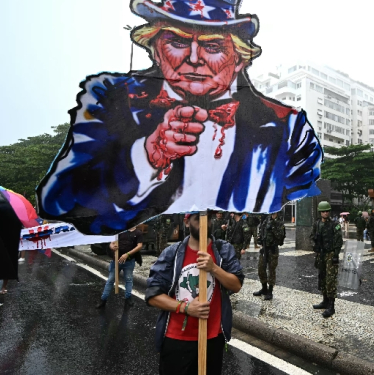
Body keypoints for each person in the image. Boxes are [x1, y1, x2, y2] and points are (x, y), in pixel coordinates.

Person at [37, 0, 324, 236]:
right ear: (155, 50)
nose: (194, 58)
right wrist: (146, 156)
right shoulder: (110, 96)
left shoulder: (289, 128)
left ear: (239, 58)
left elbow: (299, 191)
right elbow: (60, 200)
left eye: (212, 46)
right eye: (177, 41)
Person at [146, 213, 243, 375]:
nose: (205, 222)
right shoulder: (172, 253)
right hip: (177, 340)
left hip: (212, 338)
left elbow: (236, 285)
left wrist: (214, 268)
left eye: (209, 218)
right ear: (187, 222)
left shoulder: (223, 250)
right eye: (199, 218)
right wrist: (186, 308)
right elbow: (152, 295)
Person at [96, 226, 143, 308]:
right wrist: (111, 246)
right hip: (116, 261)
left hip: (129, 261)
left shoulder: (138, 233)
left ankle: (128, 298)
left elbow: (139, 246)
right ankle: (103, 300)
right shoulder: (119, 231)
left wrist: (127, 254)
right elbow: (112, 242)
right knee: (110, 280)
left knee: (128, 279)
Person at [310, 201, 343, 318]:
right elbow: (311, 237)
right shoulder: (317, 224)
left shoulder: (334, 224)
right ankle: (324, 301)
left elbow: (339, 240)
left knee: (331, 280)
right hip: (321, 254)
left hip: (330, 254)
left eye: (327, 211)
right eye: (323, 211)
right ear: (320, 212)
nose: (325, 213)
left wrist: (335, 254)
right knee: (322, 278)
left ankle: (331, 306)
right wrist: (314, 244)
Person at [253, 211, 286, 300]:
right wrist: (260, 238)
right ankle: (264, 288)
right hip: (264, 249)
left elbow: (280, 238)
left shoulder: (280, 222)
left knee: (271, 271)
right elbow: (262, 230)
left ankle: (270, 291)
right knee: (261, 269)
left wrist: (273, 227)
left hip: (273, 249)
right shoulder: (266, 219)